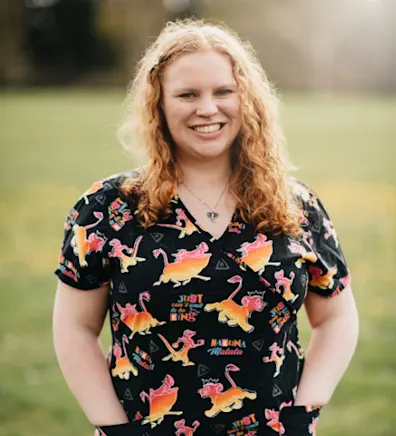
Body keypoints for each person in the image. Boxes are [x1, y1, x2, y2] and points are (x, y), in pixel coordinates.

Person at [53, 19, 359, 436]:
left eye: (223, 92)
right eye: (187, 95)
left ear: (246, 99)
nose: (208, 109)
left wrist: (303, 412)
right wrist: (114, 427)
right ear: (158, 105)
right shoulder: (107, 208)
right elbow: (74, 327)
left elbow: (337, 316)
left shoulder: (296, 206)